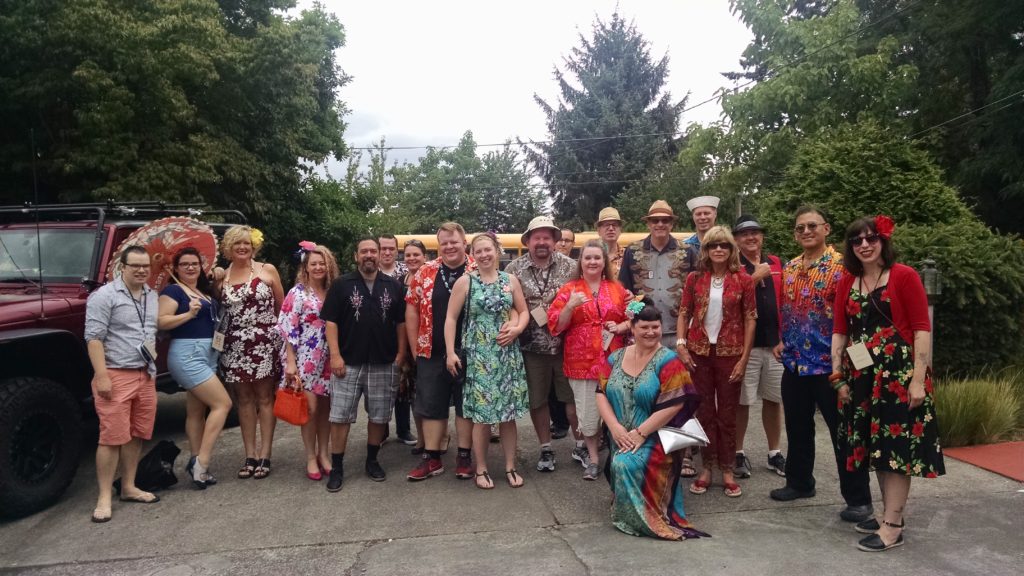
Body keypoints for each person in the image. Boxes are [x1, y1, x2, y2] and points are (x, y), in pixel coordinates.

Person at [832, 215, 945, 552]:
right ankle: (888, 514)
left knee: (895, 452)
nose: (864, 245)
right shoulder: (846, 282)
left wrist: (917, 380)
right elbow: (840, 330)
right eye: (857, 241)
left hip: (897, 376)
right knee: (876, 451)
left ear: (883, 241)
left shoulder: (904, 276)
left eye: (871, 239)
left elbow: (922, 329)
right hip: (862, 377)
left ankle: (893, 526)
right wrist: (837, 376)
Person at [768, 207, 873, 524]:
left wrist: (860, 361)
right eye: (799, 228)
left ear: (826, 229)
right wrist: (781, 339)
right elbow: (786, 310)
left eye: (812, 226)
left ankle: (858, 500)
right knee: (798, 429)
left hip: (833, 367)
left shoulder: (844, 268)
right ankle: (800, 482)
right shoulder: (790, 267)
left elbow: (858, 315)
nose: (805, 232)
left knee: (845, 435)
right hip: (795, 364)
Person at [596, 297, 706, 540]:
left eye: (655, 327)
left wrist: (640, 432)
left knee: (624, 464)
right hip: (620, 435)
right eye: (644, 327)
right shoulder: (615, 358)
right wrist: (614, 428)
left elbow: (677, 403)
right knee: (620, 459)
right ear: (632, 328)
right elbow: (600, 393)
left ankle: (638, 519)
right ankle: (626, 506)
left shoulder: (669, 361)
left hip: (655, 436)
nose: (650, 332)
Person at [320, 238, 407, 491]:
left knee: (379, 416)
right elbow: (331, 322)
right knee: (340, 417)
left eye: (373, 251)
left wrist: (401, 353)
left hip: (384, 360)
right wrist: (334, 355)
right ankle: (337, 467)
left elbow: (401, 322)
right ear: (356, 256)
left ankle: (372, 460)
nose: (369, 255)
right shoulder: (341, 285)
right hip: (348, 361)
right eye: (364, 251)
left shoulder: (393, 286)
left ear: (380, 255)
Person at [444, 233, 530, 489]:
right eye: (478, 251)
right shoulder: (465, 282)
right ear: (473, 253)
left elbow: (523, 311)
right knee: (481, 417)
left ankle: (510, 466)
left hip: (507, 357)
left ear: (497, 251)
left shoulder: (510, 280)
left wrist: (517, 329)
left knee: (508, 415)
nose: (484, 255)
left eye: (488, 250)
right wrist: (450, 352)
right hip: (479, 357)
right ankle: (480, 468)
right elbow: (450, 319)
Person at [676, 226, 756, 498]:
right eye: (713, 246)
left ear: (731, 249)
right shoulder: (694, 278)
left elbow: (750, 318)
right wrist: (681, 344)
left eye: (723, 245)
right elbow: (684, 312)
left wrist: (744, 358)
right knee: (705, 411)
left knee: (728, 413)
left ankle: (728, 469)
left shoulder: (743, 279)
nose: (718, 250)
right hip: (699, 351)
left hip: (731, 352)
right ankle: (706, 468)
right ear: (706, 250)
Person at [618, 200, 695, 476]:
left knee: (679, 396)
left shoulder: (688, 252)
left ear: (672, 223)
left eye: (665, 220)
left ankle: (683, 454)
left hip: (677, 334)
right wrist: (630, 325)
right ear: (648, 223)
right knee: (645, 395)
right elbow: (625, 292)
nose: (660, 225)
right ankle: (646, 445)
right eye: (655, 220)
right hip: (645, 335)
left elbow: (695, 290)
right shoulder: (633, 252)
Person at [85, 245, 161, 522]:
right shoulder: (104, 296)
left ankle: (128, 486)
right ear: (122, 267)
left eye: (145, 266)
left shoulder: (151, 295)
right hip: (115, 373)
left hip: (145, 372)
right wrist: (101, 375)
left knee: (137, 433)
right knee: (111, 437)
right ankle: (104, 497)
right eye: (135, 266)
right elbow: (94, 337)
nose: (141, 270)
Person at [549, 239, 629, 480]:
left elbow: (635, 316)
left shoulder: (618, 288)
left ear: (604, 262)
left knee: (618, 411)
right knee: (588, 415)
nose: (593, 261)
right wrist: (570, 307)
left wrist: (621, 326)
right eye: (588, 257)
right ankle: (593, 458)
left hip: (614, 359)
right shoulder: (569, 290)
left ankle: (619, 456)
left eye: (597, 257)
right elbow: (556, 326)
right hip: (581, 362)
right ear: (580, 262)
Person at [505, 216, 579, 472]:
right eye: (537, 237)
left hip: (567, 346)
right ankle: (545, 448)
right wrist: (514, 325)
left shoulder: (572, 267)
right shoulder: (513, 270)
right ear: (527, 241)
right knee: (538, 401)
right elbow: (509, 307)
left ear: (555, 241)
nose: (542, 242)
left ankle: (580, 444)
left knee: (572, 399)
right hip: (531, 348)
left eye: (547, 237)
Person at [405, 222, 477, 481]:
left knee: (465, 405)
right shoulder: (425, 272)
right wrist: (415, 348)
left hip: (472, 351)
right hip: (431, 351)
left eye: (454, 242)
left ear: (464, 243)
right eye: (444, 243)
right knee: (431, 405)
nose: (449, 247)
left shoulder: (477, 269)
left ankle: (465, 456)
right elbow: (411, 309)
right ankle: (432, 458)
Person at [158, 247, 232, 489]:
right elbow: (161, 321)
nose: (190, 267)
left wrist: (219, 278)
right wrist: (188, 314)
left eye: (195, 263)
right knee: (223, 404)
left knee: (195, 412)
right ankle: (201, 461)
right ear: (176, 268)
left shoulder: (202, 291)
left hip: (209, 352)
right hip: (187, 354)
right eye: (185, 264)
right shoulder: (173, 290)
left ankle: (197, 462)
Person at [218, 225, 284, 481]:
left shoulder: (267, 270)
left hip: (264, 343)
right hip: (234, 345)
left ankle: (265, 454)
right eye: (237, 244)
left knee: (265, 398)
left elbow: (281, 305)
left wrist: (279, 341)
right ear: (229, 248)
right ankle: (250, 455)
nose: (243, 248)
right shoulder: (221, 275)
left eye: (246, 243)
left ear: (253, 245)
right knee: (243, 400)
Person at [277, 242, 339, 481]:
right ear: (306, 266)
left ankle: (324, 454)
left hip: (329, 358)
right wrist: (291, 363)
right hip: (305, 358)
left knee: (326, 410)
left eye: (322, 263)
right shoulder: (298, 292)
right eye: (313, 263)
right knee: (310, 410)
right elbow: (287, 328)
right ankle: (310, 457)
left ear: (329, 265)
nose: (318, 267)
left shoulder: (334, 290)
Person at [732, 216, 787, 479]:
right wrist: (754, 277)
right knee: (742, 402)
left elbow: (788, 301)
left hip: (776, 344)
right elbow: (731, 299)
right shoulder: (732, 266)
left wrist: (785, 337)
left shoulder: (777, 263)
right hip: (747, 347)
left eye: (755, 233)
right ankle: (738, 453)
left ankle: (774, 452)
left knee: (774, 400)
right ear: (736, 239)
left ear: (762, 236)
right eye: (744, 234)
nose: (751, 238)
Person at [379, 233, 415, 446]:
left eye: (391, 248)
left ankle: (404, 430)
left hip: (403, 335)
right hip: (380, 338)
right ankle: (380, 431)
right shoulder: (370, 272)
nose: (387, 252)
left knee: (404, 384)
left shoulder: (405, 273)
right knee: (380, 387)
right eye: (383, 248)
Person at [400, 239, 429, 455]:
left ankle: (438, 436)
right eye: (408, 255)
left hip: (427, 344)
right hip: (405, 344)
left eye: (416, 255)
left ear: (425, 257)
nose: (411, 258)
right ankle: (421, 437)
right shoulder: (400, 281)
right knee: (413, 394)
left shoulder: (432, 278)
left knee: (429, 393)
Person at [682, 196, 720, 270]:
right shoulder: (685, 246)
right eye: (698, 214)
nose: (702, 217)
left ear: (715, 214)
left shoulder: (726, 244)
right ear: (693, 217)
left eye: (706, 213)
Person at [595, 207, 625, 277]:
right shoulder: (591, 256)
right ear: (599, 231)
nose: (611, 228)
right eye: (606, 225)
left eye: (614, 225)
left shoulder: (628, 256)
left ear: (620, 230)